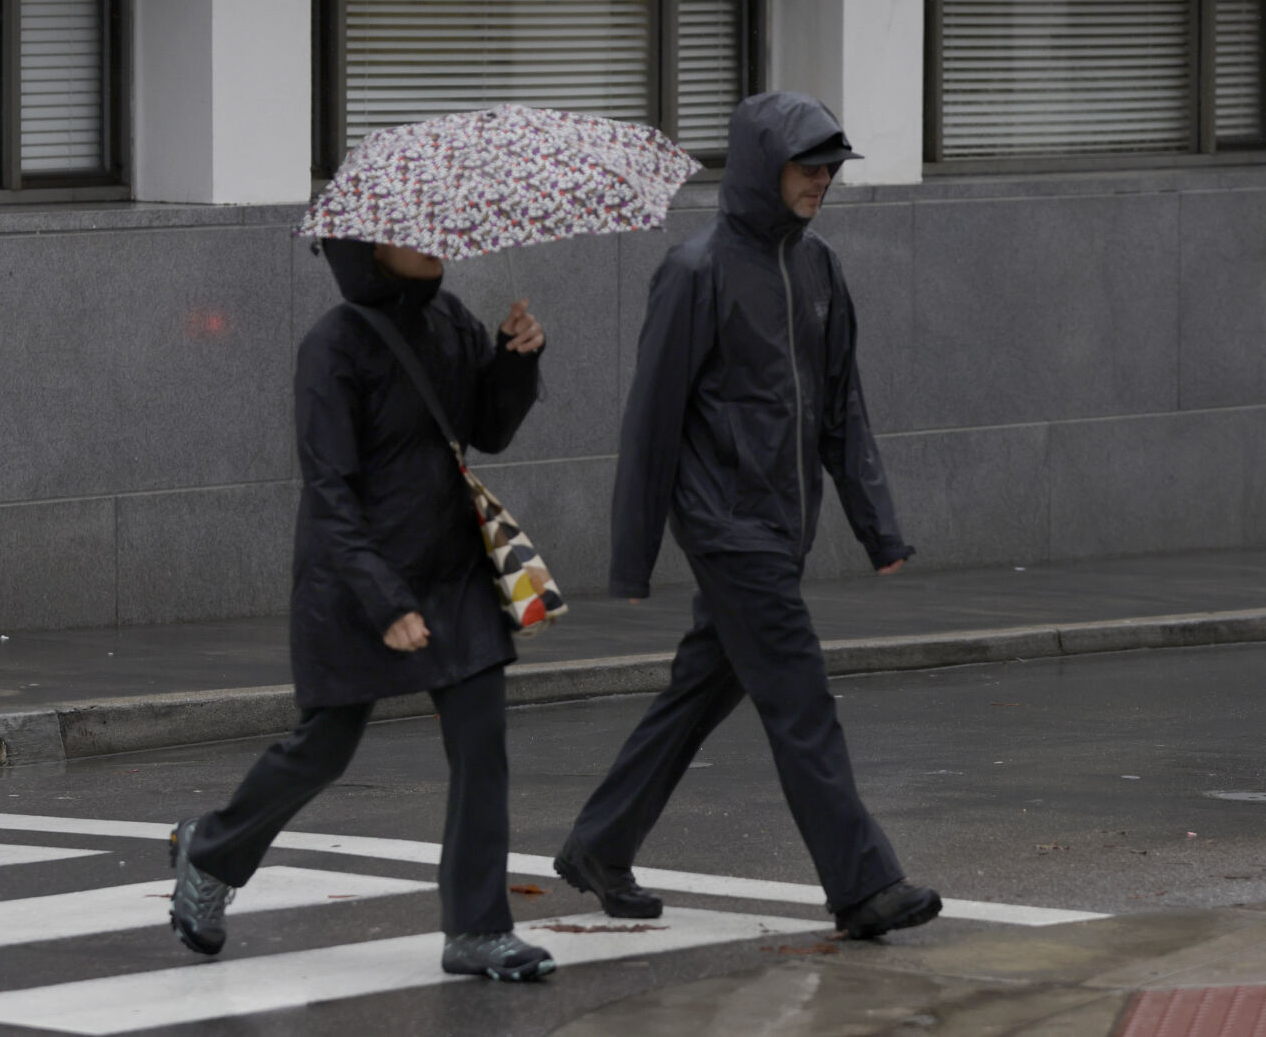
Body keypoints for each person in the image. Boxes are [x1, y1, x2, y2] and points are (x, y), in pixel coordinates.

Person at [553, 92, 943, 941]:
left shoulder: (820, 268)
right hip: (727, 528)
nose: (823, 183)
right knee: (801, 705)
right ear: (765, 166)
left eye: (831, 169)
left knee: (700, 689)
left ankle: (598, 843)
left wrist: (877, 526)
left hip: (779, 525)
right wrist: (632, 557)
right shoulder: (693, 272)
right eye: (809, 167)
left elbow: (842, 407)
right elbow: (650, 421)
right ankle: (862, 884)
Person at [168, 237, 557, 981]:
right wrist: (383, 599)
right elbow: (329, 490)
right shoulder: (333, 346)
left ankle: (477, 929)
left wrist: (514, 359)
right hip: (354, 579)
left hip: (452, 571)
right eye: (412, 231)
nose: (433, 240)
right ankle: (211, 850)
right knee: (325, 746)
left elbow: (487, 430)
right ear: (371, 247)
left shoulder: (450, 319)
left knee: (482, 746)